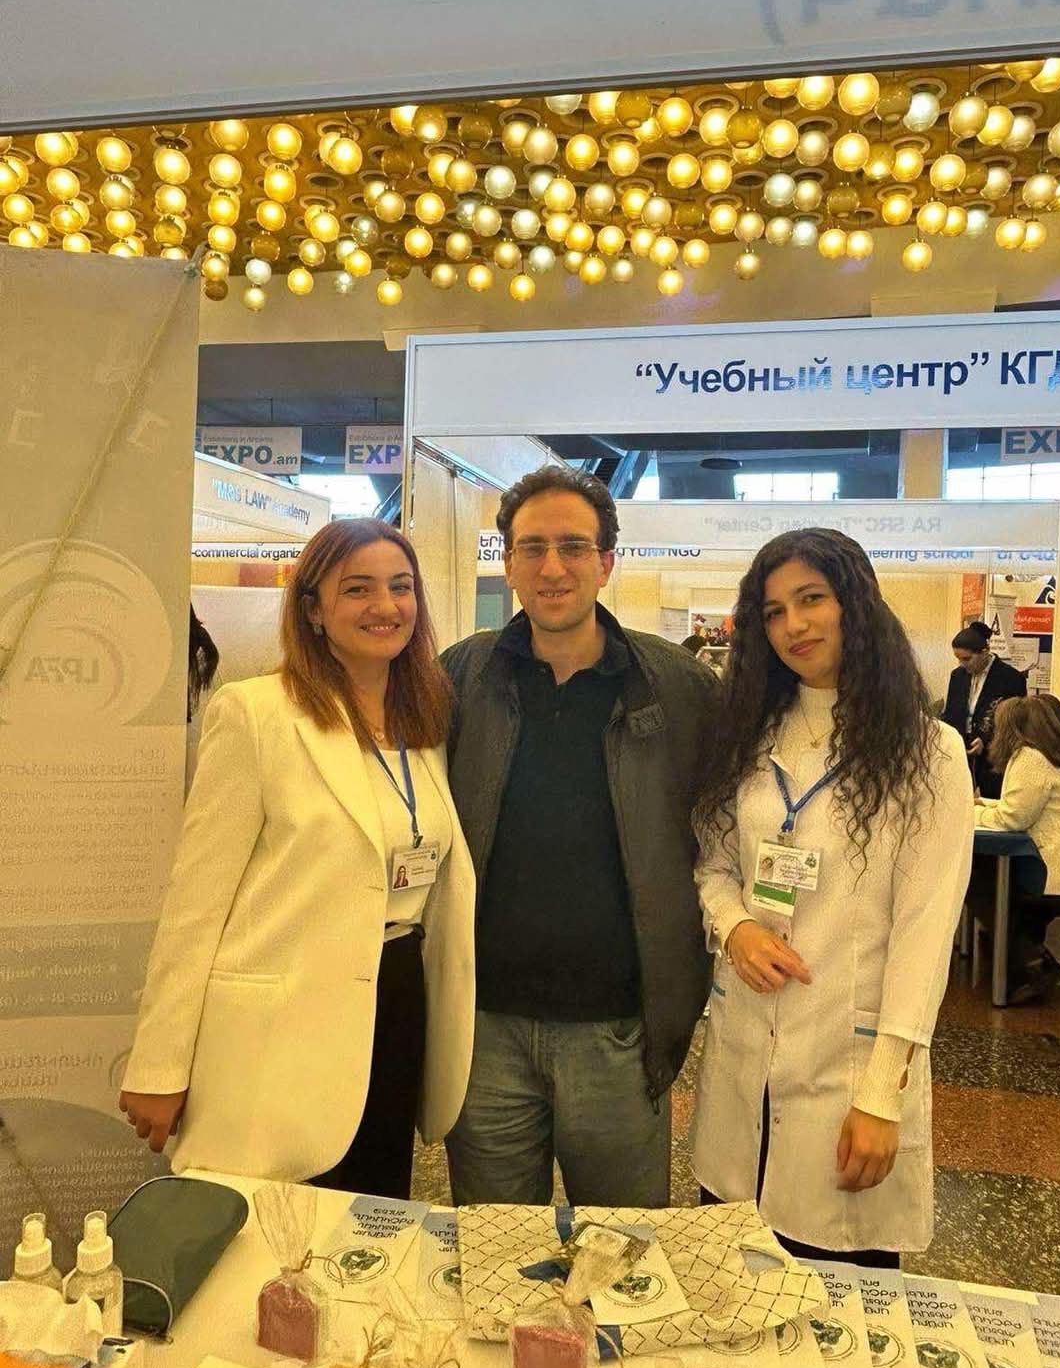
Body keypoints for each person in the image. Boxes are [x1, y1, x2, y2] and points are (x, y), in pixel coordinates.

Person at [119, 520, 475, 1197]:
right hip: (285, 1022)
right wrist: (159, 1065)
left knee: (371, 1215)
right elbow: (195, 905)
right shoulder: (257, 715)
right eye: (358, 589)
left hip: (396, 1000)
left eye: (401, 587)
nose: (385, 606)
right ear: (313, 609)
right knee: (273, 1227)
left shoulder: (422, 722)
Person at [691, 528, 972, 1266]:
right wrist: (736, 926)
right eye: (774, 612)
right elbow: (713, 864)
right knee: (732, 1282)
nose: (794, 625)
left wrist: (881, 1095)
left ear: (854, 604)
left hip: (847, 1068)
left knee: (837, 1306)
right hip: (744, 1052)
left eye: (811, 599)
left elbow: (924, 935)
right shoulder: (746, 737)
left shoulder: (928, 754)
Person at [442, 466, 719, 1209]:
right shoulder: (464, 677)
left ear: (606, 562)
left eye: (573, 547)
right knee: (497, 1253)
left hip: (620, 1034)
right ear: (508, 562)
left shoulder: (676, 687)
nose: (552, 567)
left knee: (624, 1254)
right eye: (532, 548)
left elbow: (727, 828)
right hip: (484, 1033)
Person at [974, 694, 1060, 1003]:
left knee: (977, 877)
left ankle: (1031, 963)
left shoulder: (1029, 758)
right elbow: (1025, 808)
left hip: (1053, 875)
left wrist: (967, 812)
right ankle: (1026, 957)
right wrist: (984, 805)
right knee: (992, 880)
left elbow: (1012, 818)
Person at [942, 620, 1026, 797]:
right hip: (961, 751)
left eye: (967, 659)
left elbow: (1015, 722)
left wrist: (987, 741)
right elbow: (951, 714)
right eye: (958, 659)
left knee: (991, 801)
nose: (962, 664)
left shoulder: (1011, 678)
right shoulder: (957, 676)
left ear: (984, 652)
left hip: (993, 759)